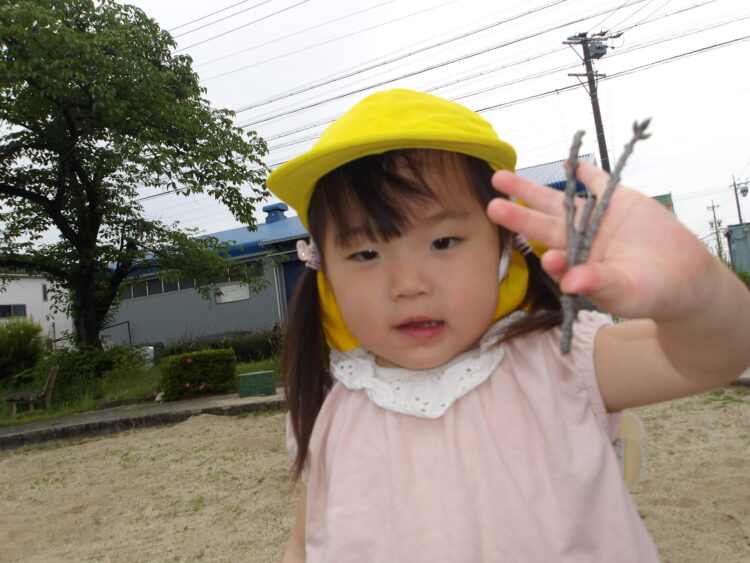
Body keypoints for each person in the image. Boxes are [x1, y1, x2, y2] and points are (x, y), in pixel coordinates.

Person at [267, 89, 750, 562]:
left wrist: (701, 291)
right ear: (325, 273)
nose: (408, 285)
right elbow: (304, 545)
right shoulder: (327, 407)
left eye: (443, 242)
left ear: (505, 246)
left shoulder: (561, 362)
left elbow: (714, 355)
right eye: (366, 253)